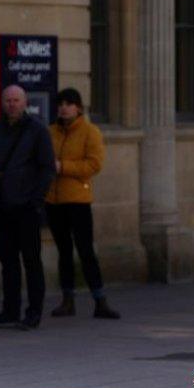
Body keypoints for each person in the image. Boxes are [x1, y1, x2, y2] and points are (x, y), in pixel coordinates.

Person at [0, 85, 56, 330]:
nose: (11, 104)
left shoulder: (37, 131)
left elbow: (47, 168)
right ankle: (9, 310)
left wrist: (36, 201)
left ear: (25, 103)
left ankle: (34, 311)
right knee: (8, 261)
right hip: (0, 206)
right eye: (7, 100)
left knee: (31, 261)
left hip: (25, 207)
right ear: (1, 103)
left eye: (16, 100)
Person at [46, 88, 119, 319]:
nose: (64, 108)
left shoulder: (90, 132)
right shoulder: (51, 132)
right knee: (64, 252)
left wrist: (63, 167)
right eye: (61, 104)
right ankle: (68, 299)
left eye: (69, 104)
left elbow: (93, 164)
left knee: (85, 250)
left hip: (78, 200)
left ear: (78, 107)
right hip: (54, 200)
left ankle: (100, 299)